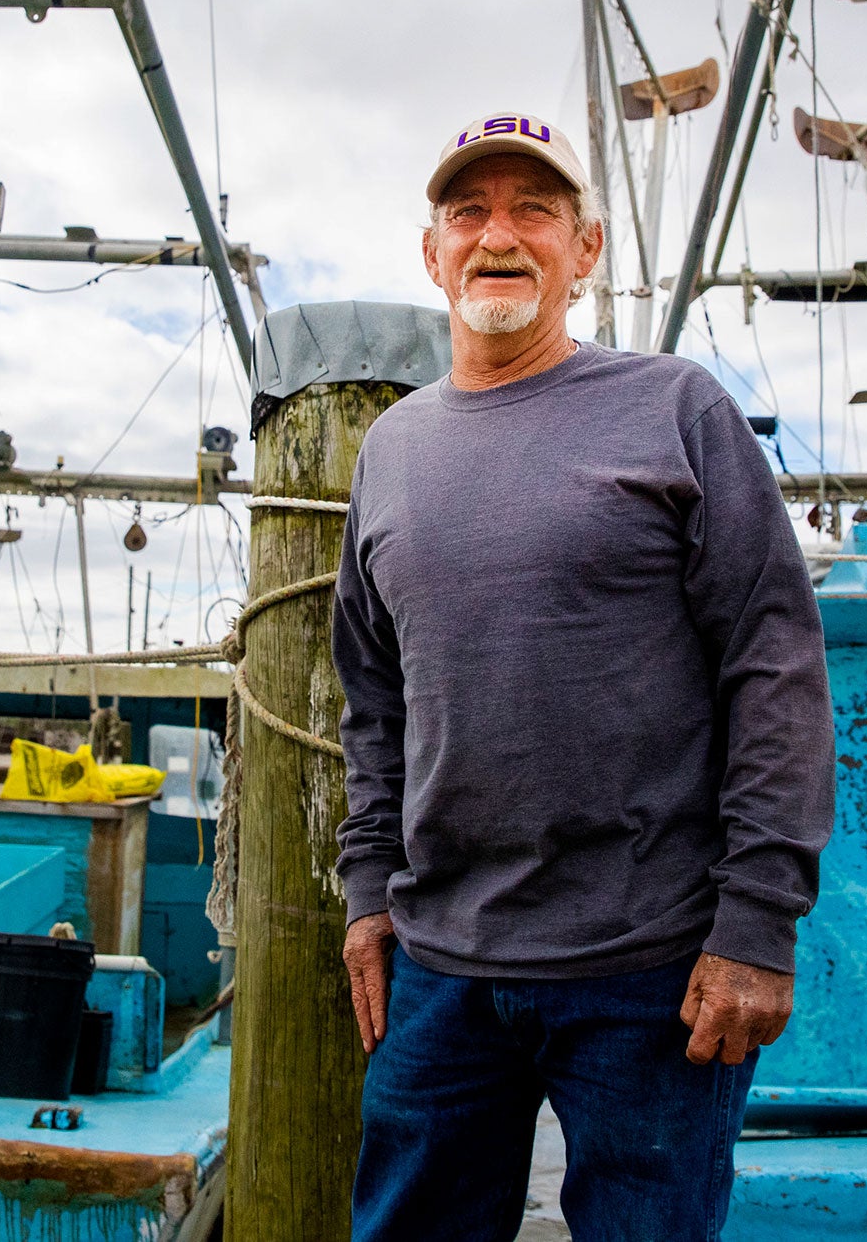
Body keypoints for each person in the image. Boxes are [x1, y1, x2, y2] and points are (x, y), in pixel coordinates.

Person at [333, 111, 835, 1241]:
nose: (498, 235)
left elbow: (774, 664)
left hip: (654, 971)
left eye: (535, 211)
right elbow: (374, 699)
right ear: (433, 254)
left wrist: (758, 920)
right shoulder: (391, 449)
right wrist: (368, 893)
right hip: (440, 968)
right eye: (469, 212)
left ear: (586, 249)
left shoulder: (676, 409)